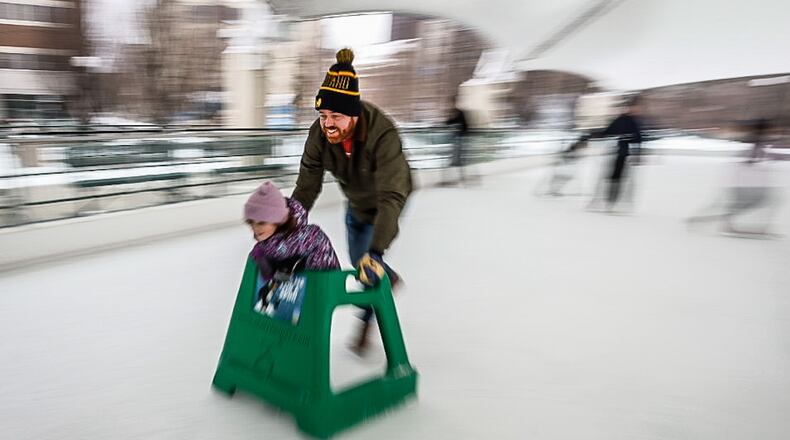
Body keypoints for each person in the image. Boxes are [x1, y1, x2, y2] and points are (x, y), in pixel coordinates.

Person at [291, 48, 413, 354]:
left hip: (388, 198)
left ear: (354, 115)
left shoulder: (382, 133)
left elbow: (392, 194)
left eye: (336, 116)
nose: (328, 124)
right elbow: (307, 184)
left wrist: (376, 249)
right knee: (361, 262)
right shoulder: (319, 136)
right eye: (323, 116)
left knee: (369, 264)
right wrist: (288, 224)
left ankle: (365, 323)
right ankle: (388, 278)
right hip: (357, 204)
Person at [245, 181, 340, 286]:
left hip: (323, 281)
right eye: (250, 222)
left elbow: (317, 238)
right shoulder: (269, 238)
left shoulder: (300, 236)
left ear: (278, 220)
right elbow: (268, 252)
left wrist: (288, 266)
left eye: (262, 223)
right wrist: (261, 256)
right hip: (301, 284)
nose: (255, 228)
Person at [588, 95, 644, 211]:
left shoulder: (634, 121)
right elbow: (608, 131)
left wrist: (637, 153)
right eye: (634, 107)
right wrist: (594, 134)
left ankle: (612, 202)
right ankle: (607, 201)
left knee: (619, 177)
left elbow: (638, 139)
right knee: (612, 176)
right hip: (617, 152)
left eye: (637, 108)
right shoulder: (621, 119)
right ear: (629, 107)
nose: (636, 110)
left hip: (625, 154)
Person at [443, 104, 470, 185]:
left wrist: (447, 122)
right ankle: (461, 178)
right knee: (458, 160)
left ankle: (458, 179)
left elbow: (454, 121)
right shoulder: (460, 113)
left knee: (456, 160)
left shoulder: (459, 113)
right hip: (461, 138)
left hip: (459, 138)